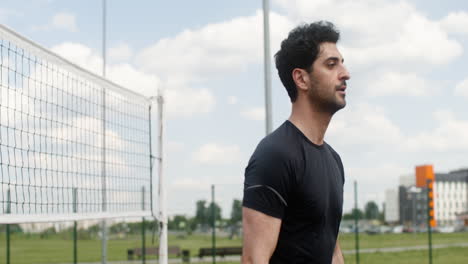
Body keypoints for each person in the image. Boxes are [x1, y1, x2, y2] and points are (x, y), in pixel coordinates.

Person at [242, 21, 350, 264]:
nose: (345, 73)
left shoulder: (333, 160)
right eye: (332, 65)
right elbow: (253, 259)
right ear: (301, 79)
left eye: (342, 63)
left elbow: (331, 249)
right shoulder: (275, 155)